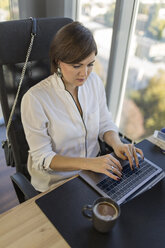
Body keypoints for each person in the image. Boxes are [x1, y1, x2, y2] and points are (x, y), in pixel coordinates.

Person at [21, 21, 143, 192]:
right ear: (58, 62)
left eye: (90, 64)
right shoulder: (34, 99)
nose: (84, 73)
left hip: (95, 172)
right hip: (58, 183)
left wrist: (117, 145)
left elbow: (104, 122)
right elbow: (43, 158)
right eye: (76, 66)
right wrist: (91, 163)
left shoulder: (94, 82)